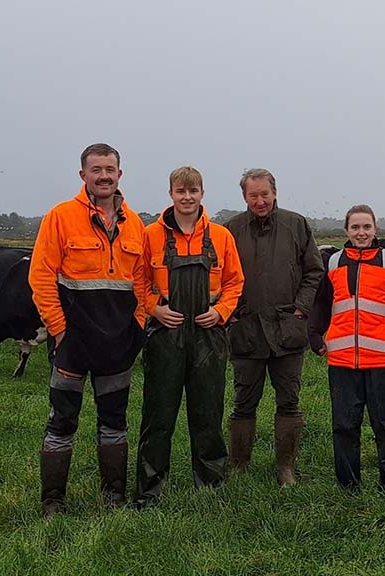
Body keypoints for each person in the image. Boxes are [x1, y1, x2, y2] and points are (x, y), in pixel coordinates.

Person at [29, 143, 147, 517]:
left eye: (110, 169)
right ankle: (53, 503)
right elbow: (41, 276)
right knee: (62, 422)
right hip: (73, 344)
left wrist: (138, 328)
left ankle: (113, 498)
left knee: (114, 422)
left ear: (120, 174)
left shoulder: (136, 224)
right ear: (83, 176)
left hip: (118, 345)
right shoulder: (60, 217)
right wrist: (59, 330)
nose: (104, 176)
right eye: (96, 169)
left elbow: (143, 283)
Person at [133, 166, 245, 507]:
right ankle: (149, 491)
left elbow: (235, 282)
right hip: (165, 336)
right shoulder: (151, 235)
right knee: (158, 415)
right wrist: (155, 308)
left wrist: (222, 312)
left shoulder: (221, 237)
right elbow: (137, 282)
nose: (187, 197)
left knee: (207, 413)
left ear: (202, 194)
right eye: (180, 191)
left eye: (193, 191)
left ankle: (211, 487)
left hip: (208, 335)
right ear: (170, 194)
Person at [225, 168, 324, 486]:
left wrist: (301, 308)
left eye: (264, 194)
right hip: (246, 330)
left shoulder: (296, 225)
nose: (260, 201)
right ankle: (239, 466)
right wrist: (232, 314)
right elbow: (220, 277)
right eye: (253, 195)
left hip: (287, 330)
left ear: (275, 192)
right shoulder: (231, 230)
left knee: (289, 401)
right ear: (244, 197)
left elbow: (314, 271)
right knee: (243, 403)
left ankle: (286, 468)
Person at [308, 205, 385, 492]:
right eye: (355, 227)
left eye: (366, 227)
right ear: (346, 231)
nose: (361, 233)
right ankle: (349, 486)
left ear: (375, 229)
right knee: (344, 426)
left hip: (383, 359)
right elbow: (321, 303)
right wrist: (314, 334)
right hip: (342, 360)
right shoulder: (333, 263)